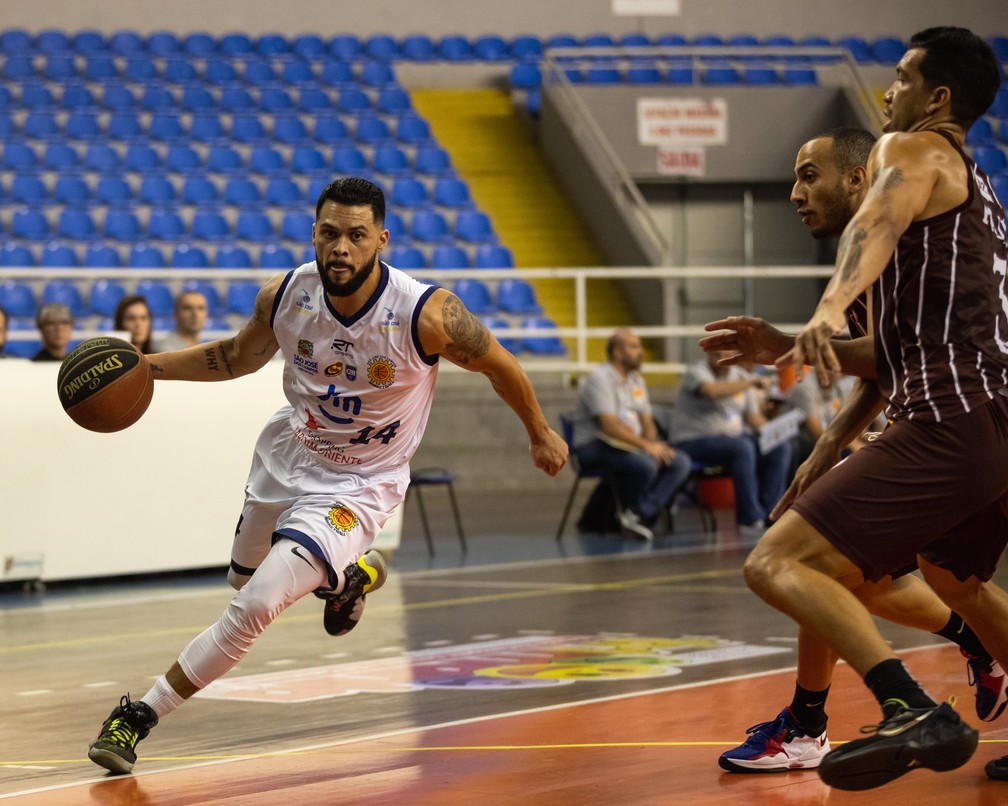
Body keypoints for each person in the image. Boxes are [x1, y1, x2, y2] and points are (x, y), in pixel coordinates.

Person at [86, 177, 568, 775]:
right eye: (330, 233)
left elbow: (501, 365)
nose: (341, 247)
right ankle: (347, 580)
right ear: (315, 234)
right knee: (244, 581)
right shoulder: (286, 294)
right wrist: (144, 368)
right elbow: (238, 357)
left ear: (381, 240)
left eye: (357, 235)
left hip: (359, 485)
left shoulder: (426, 313)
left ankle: (138, 716)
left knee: (258, 602)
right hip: (290, 453)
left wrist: (539, 430)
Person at [705, 29, 1008, 790]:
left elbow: (873, 225)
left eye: (902, 78)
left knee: (778, 559)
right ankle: (865, 696)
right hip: (989, 420)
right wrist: (820, 420)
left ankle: (904, 706)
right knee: (955, 581)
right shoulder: (973, 188)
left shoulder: (913, 150)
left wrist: (828, 305)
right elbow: (892, 354)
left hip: (949, 418)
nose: (888, 92)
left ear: (936, 98)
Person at [571, 328, 693, 540]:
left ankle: (638, 514)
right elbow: (608, 426)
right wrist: (647, 447)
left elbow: (647, 420)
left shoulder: (636, 381)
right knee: (645, 464)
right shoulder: (599, 379)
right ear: (618, 352)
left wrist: (654, 444)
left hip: (629, 445)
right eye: (634, 346)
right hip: (594, 445)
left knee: (680, 462)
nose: (641, 351)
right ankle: (630, 514)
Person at [667, 350, 791, 540]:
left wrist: (774, 433)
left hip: (732, 440)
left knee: (779, 447)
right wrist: (751, 382)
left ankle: (771, 514)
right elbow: (713, 391)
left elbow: (753, 417)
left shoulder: (740, 376)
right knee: (742, 447)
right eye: (716, 355)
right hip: (694, 441)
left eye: (725, 355)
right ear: (708, 355)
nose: (721, 359)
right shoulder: (696, 372)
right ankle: (749, 518)